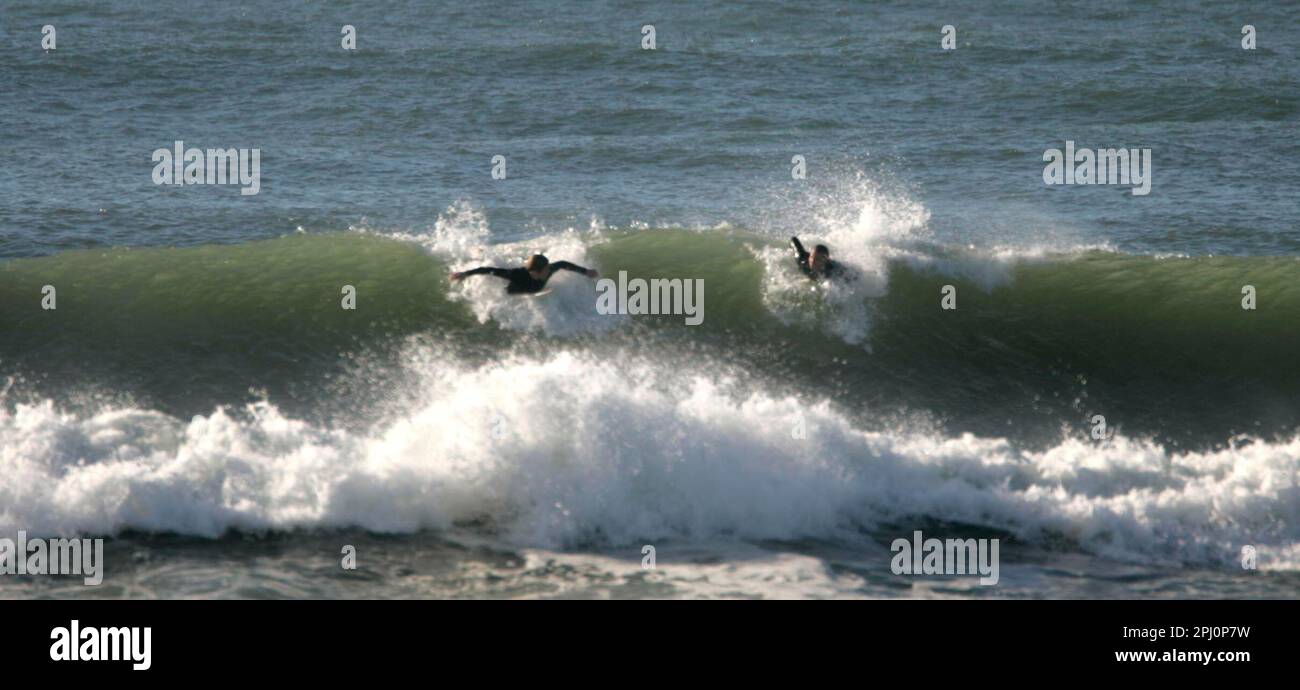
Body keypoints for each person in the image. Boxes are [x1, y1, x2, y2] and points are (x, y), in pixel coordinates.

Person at [450, 253, 598, 294]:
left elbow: (563, 264)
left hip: (535, 289)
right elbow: (489, 270)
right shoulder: (517, 274)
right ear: (536, 271)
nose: (549, 269)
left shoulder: (549, 270)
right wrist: (465, 274)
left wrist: (586, 272)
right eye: (546, 268)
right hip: (515, 290)